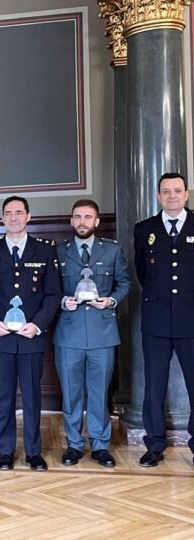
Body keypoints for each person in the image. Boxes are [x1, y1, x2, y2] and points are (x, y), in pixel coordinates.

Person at [0, 196, 60, 472]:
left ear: (28, 216)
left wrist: (37, 325)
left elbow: (52, 295)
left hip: (31, 337)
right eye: (8, 213)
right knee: (3, 396)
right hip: (1, 337)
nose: (13, 217)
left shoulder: (45, 250)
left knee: (31, 397)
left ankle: (33, 451)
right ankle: (5, 451)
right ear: (2, 218)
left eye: (19, 212)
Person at [54, 199, 130, 468]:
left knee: (99, 393)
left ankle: (100, 445)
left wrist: (111, 301)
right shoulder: (59, 251)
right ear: (71, 221)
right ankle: (74, 445)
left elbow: (124, 283)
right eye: (77, 217)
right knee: (71, 394)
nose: (82, 221)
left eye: (88, 217)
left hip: (102, 333)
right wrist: (63, 301)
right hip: (69, 334)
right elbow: (50, 290)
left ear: (97, 222)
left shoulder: (111, 250)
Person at [134, 172, 194, 467]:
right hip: (156, 320)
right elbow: (142, 272)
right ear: (159, 196)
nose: (172, 196)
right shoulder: (144, 229)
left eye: (177, 190)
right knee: (153, 385)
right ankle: (154, 443)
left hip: (191, 318)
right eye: (166, 191)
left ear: (186, 194)